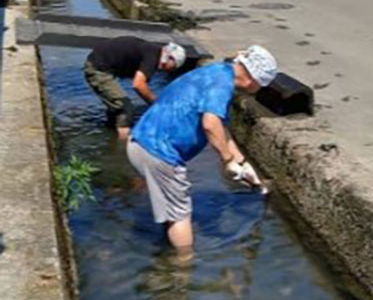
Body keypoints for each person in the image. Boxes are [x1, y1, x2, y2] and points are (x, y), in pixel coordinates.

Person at [126, 45, 278, 253]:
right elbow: (210, 124)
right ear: (253, 81)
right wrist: (226, 161)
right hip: (159, 152)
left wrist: (241, 162)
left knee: (171, 205)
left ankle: (166, 243)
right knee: (180, 214)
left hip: (140, 140)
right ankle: (181, 269)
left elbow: (221, 129)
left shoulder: (217, 72)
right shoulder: (222, 86)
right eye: (261, 86)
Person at [84, 36, 186, 140]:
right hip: (98, 68)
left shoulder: (152, 52)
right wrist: (156, 104)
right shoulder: (152, 57)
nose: (169, 71)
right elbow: (138, 85)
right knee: (125, 109)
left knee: (116, 109)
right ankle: (122, 149)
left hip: (104, 63)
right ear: (169, 58)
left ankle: (111, 137)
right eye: (173, 67)